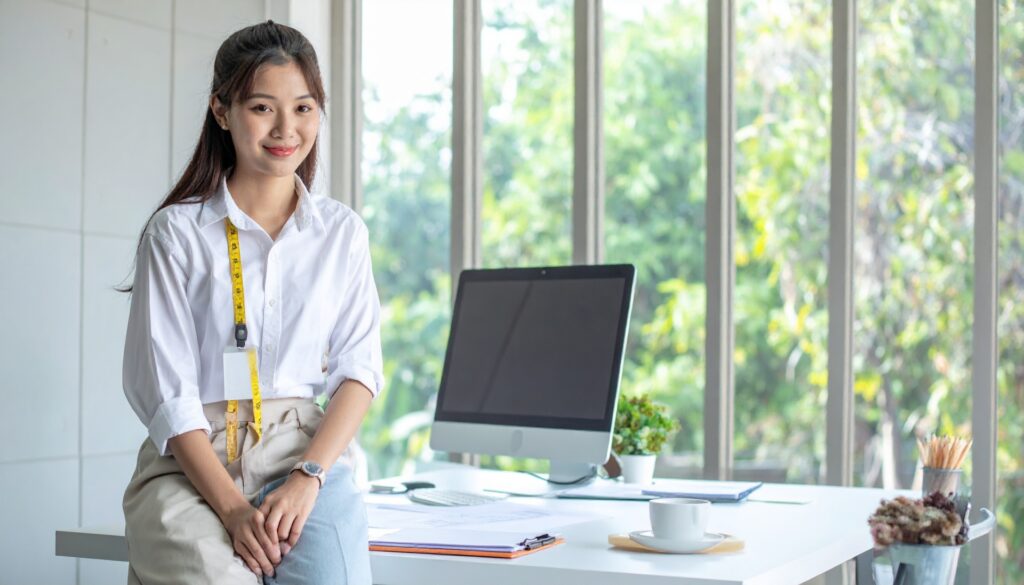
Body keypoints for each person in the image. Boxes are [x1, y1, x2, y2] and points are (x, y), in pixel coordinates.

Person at [119, 20, 381, 585]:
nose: (287, 128)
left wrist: (310, 475)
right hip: (192, 462)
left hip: (302, 449)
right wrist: (233, 509)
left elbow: (359, 372)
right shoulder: (175, 234)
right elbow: (166, 395)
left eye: (304, 107)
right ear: (222, 110)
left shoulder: (341, 233)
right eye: (263, 107)